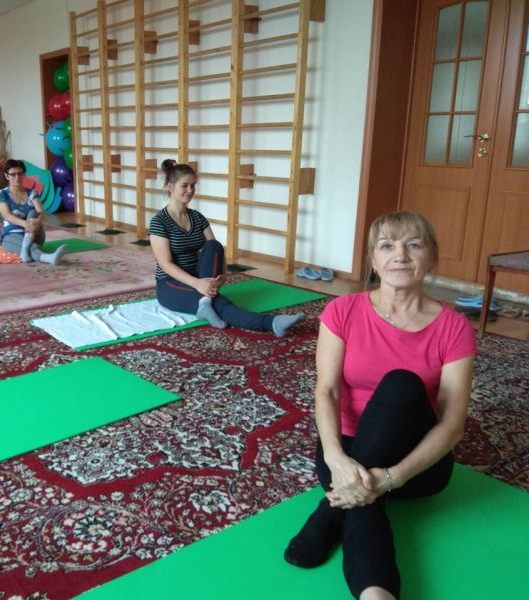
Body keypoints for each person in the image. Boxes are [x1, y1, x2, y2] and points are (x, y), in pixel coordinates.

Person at [283, 211, 477, 599]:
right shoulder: (343, 311)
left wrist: (392, 477)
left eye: (413, 245)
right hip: (346, 453)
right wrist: (336, 459)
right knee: (364, 502)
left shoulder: (454, 328)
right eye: (387, 246)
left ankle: (327, 514)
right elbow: (327, 391)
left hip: (417, 466)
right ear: (373, 259)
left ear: (432, 256)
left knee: (401, 385)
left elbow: (452, 424)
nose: (399, 255)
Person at [149, 159, 304, 336]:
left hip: (201, 278)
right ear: (170, 187)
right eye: (185, 185)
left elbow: (216, 251)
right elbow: (165, 264)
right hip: (170, 284)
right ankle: (272, 323)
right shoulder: (159, 222)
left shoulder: (197, 218)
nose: (190, 190)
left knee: (213, 245)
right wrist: (198, 284)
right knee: (219, 303)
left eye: (193, 185)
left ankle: (206, 301)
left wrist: (222, 275)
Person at [0, 159, 67, 265]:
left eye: (20, 174)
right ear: (7, 176)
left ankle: (25, 249)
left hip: (35, 233)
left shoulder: (31, 193)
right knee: (32, 247)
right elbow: (7, 215)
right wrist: (25, 224)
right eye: (13, 174)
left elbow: (41, 212)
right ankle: (48, 258)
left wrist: (37, 222)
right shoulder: (2, 194)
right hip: (11, 235)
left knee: (33, 212)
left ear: (24, 174)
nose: (17, 177)